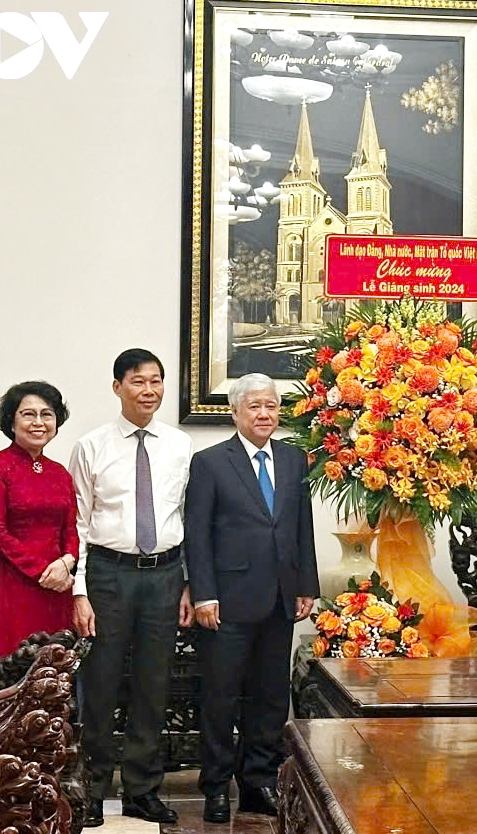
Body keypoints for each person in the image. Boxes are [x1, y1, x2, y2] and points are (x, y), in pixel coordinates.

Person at [69, 349, 195, 827]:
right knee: (99, 685)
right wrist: (79, 591)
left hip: (165, 575)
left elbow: (188, 519)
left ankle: (143, 788)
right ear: (117, 386)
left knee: (153, 683)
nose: (149, 390)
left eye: (157, 381)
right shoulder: (92, 446)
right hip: (108, 574)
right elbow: (78, 524)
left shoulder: (181, 446)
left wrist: (188, 582)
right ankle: (95, 787)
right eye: (138, 381)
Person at [185, 373, 318, 823]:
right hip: (227, 600)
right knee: (221, 699)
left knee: (269, 699)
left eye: (272, 406)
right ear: (236, 412)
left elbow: (302, 528)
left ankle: (258, 782)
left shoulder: (294, 459)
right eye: (255, 407)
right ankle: (217, 787)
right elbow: (197, 535)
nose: (265, 414)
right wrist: (203, 593)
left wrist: (307, 586)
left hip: (280, 598)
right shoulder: (210, 462)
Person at [0, 381, 77, 659]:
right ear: (11, 420)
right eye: (28, 414)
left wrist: (67, 562)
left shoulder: (60, 473)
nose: (38, 422)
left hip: (59, 585)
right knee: (12, 663)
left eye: (47, 414)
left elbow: (70, 529)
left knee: (53, 667)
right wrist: (43, 571)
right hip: (12, 582)